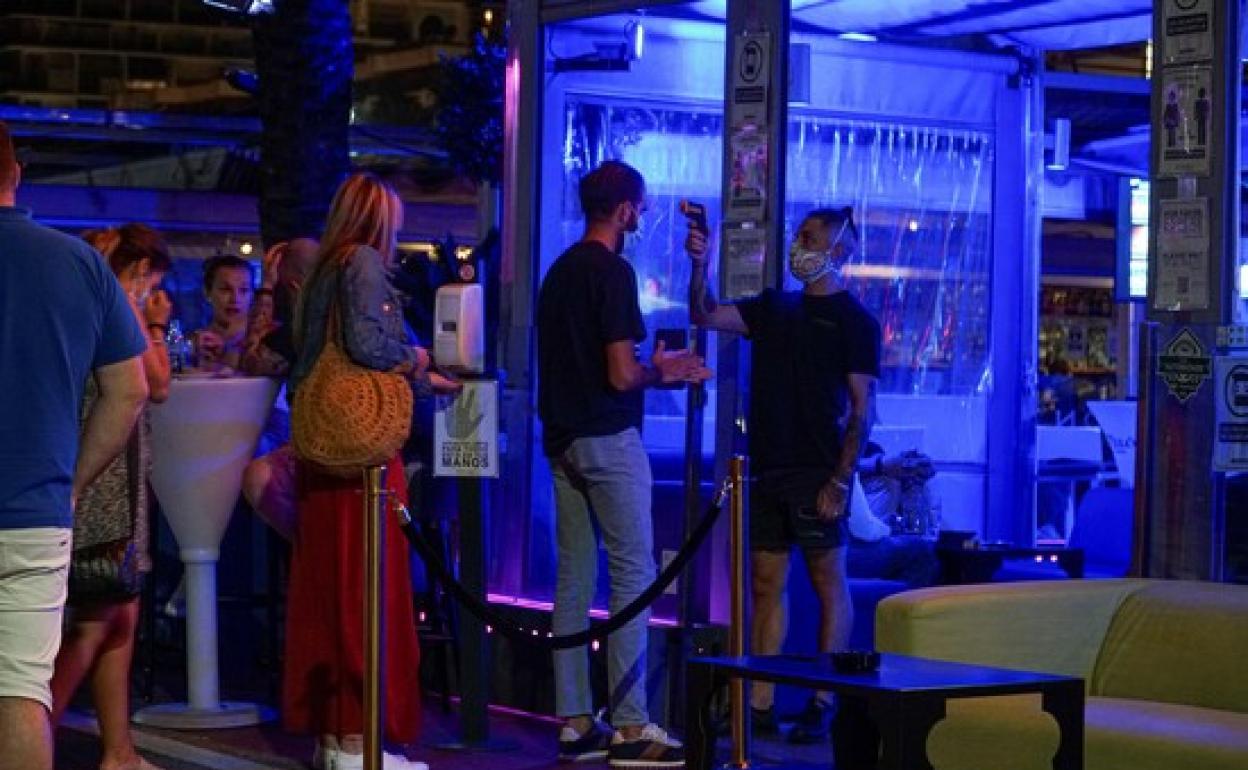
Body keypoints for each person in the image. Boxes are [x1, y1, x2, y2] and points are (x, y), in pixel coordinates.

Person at [537, 160, 710, 767]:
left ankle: (576, 722)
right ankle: (632, 727)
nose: (643, 214)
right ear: (625, 210)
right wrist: (663, 371)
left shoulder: (559, 271)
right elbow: (619, 373)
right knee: (633, 575)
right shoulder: (612, 271)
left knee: (573, 578)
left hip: (561, 441)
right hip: (608, 439)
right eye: (640, 205)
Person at [686, 205, 880, 744]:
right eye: (799, 235)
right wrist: (700, 265)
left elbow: (862, 408)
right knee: (766, 584)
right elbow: (705, 314)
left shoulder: (855, 322)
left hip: (818, 470)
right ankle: (761, 702)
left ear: (839, 250)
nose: (800, 245)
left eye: (811, 237)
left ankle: (824, 701)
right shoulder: (774, 308)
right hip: (769, 467)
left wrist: (840, 480)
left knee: (827, 581)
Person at [0, 120, 149, 770]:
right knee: (21, 695)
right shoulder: (78, 263)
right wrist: (74, 483)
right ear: (16, 173)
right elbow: (131, 390)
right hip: (36, 516)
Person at [285, 173, 431, 770]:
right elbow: (370, 346)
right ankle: (359, 743)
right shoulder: (364, 262)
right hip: (362, 461)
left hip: (323, 454)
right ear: (380, 220)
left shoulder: (322, 268)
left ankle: (332, 738)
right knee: (365, 595)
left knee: (328, 595)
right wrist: (415, 358)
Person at [49, 224, 173, 770]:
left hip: (111, 474)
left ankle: (118, 750)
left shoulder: (87, 297)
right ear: (142, 271)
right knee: (99, 614)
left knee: (119, 611)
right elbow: (158, 382)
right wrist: (156, 322)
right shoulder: (117, 301)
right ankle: (29, 736)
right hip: (106, 483)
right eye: (154, 283)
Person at [191, 254, 255, 373]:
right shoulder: (194, 345)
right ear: (207, 293)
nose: (235, 299)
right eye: (225, 289)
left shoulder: (263, 345)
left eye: (244, 290)